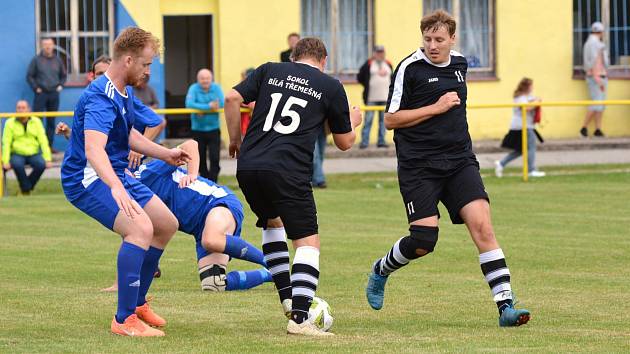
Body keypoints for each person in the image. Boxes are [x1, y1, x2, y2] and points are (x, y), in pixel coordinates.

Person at [365, 10, 531, 327]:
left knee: (483, 227)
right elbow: (390, 120)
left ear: (452, 38)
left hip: (459, 161)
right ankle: (380, 270)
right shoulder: (408, 69)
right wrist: (436, 107)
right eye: (427, 39)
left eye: (439, 39)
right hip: (419, 166)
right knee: (423, 241)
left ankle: (506, 307)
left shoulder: (460, 64)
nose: (432, 45)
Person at [224, 37, 362, 336]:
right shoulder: (329, 85)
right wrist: (354, 121)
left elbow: (231, 98)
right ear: (323, 60)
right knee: (307, 243)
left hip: (249, 165)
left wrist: (235, 139)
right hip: (286, 169)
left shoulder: (270, 70)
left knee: (272, 224)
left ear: (294, 56)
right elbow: (344, 142)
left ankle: (288, 299)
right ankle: (301, 319)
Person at [61, 27, 190, 337]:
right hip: (87, 177)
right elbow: (93, 149)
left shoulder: (124, 92)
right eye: (146, 64)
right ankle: (123, 319)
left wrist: (165, 154)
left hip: (116, 172)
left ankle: (138, 303)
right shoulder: (100, 98)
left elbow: (128, 134)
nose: (148, 71)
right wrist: (116, 186)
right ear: (129, 60)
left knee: (165, 224)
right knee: (140, 228)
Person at [495, 78, 545, 178]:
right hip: (523, 126)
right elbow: (527, 108)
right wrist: (536, 102)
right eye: (531, 85)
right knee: (531, 148)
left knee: (521, 150)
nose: (532, 87)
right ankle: (531, 170)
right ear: (526, 87)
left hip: (524, 126)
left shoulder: (527, 97)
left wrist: (536, 100)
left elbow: (532, 101)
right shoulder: (520, 98)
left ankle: (501, 163)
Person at [2, 100, 52, 195]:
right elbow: (6, 143)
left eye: (23, 108)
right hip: (17, 153)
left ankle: (25, 188)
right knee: (17, 164)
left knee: (41, 164)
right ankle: (26, 190)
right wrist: (5, 161)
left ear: (28, 109)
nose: (21, 110)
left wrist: (48, 159)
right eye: (19, 108)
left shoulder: (36, 121)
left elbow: (43, 141)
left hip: (34, 152)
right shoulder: (9, 122)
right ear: (16, 110)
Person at [27, 37, 67, 150]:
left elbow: (63, 75)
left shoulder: (57, 60)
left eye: (50, 44)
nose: (48, 47)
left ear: (53, 45)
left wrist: (61, 86)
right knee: (36, 120)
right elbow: (29, 76)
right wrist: (36, 88)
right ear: (42, 46)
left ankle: (49, 147)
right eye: (45, 44)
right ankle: (37, 147)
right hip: (41, 94)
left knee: (51, 121)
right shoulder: (36, 60)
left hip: (54, 93)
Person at [185, 69, 224, 182]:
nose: (205, 81)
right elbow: (189, 104)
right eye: (202, 78)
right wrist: (208, 106)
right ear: (198, 80)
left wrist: (199, 108)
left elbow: (221, 103)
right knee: (200, 159)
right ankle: (205, 181)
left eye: (207, 78)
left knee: (215, 158)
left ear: (211, 79)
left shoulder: (216, 88)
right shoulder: (193, 88)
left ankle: (213, 182)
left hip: (214, 129)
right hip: (198, 130)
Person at [357, 45, 393, 149]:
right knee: (368, 120)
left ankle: (381, 141)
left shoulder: (388, 64)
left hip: (385, 98)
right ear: (374, 53)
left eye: (381, 52)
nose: (380, 54)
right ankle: (364, 142)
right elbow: (360, 77)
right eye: (378, 52)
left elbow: (393, 78)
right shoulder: (368, 64)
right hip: (371, 98)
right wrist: (368, 85)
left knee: (383, 121)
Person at [580, 21, 609, 138]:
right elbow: (595, 61)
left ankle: (598, 129)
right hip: (596, 76)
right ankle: (583, 128)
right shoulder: (595, 44)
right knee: (596, 103)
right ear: (601, 32)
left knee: (600, 104)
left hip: (597, 75)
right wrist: (597, 77)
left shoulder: (590, 43)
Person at [240, 68, 256, 136]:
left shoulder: (261, 88)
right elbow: (236, 100)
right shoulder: (241, 88)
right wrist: (249, 104)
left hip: (256, 127)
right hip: (244, 127)